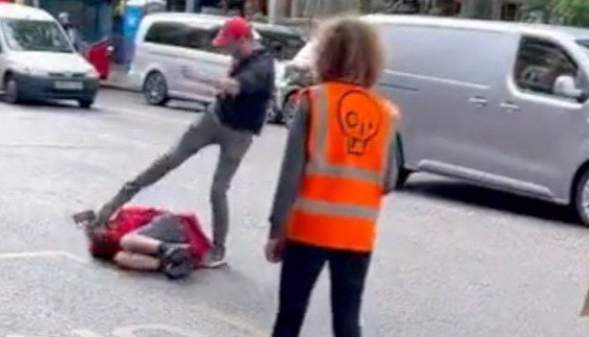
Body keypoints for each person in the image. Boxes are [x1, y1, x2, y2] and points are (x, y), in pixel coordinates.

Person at [93, 17, 275, 268]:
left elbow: (237, 86)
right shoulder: (241, 55)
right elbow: (229, 89)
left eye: (227, 43)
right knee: (169, 160)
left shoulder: (263, 66)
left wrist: (210, 80)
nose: (222, 49)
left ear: (243, 40)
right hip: (214, 118)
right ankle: (109, 208)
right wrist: (218, 89)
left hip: (239, 134)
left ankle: (218, 248)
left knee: (218, 190)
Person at [265, 17, 400, 337]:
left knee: (290, 316)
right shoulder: (385, 113)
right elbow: (388, 180)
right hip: (357, 234)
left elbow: (290, 173)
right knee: (347, 319)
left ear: (325, 56)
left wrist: (276, 228)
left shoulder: (313, 100)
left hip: (308, 231)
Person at [79, 207, 211, 279]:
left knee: (127, 240)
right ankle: (172, 263)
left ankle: (170, 249)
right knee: (120, 258)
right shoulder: (99, 246)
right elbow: (102, 250)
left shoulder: (124, 215)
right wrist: (99, 238)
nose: (95, 231)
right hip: (152, 248)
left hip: (173, 229)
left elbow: (156, 216)